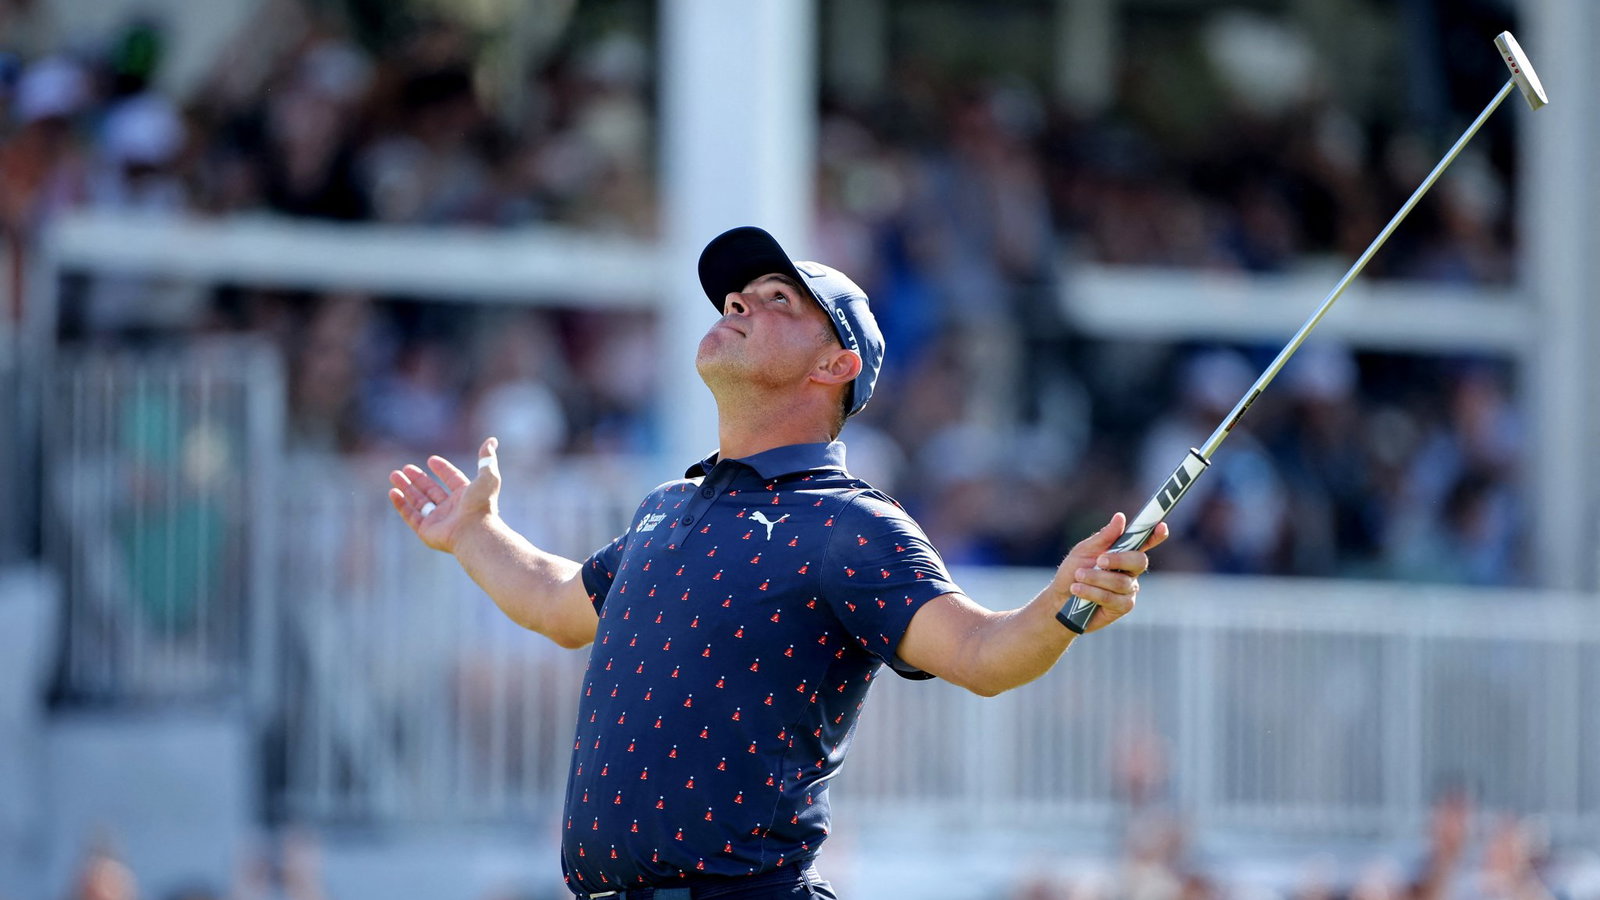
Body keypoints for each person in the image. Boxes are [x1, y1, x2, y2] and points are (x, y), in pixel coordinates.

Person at [387, 226, 1164, 899]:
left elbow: (982, 652)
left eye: (778, 300)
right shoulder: (667, 508)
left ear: (837, 365)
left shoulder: (850, 524)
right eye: (736, 298)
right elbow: (556, 604)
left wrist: (1067, 602)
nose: (738, 304)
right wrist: (474, 534)